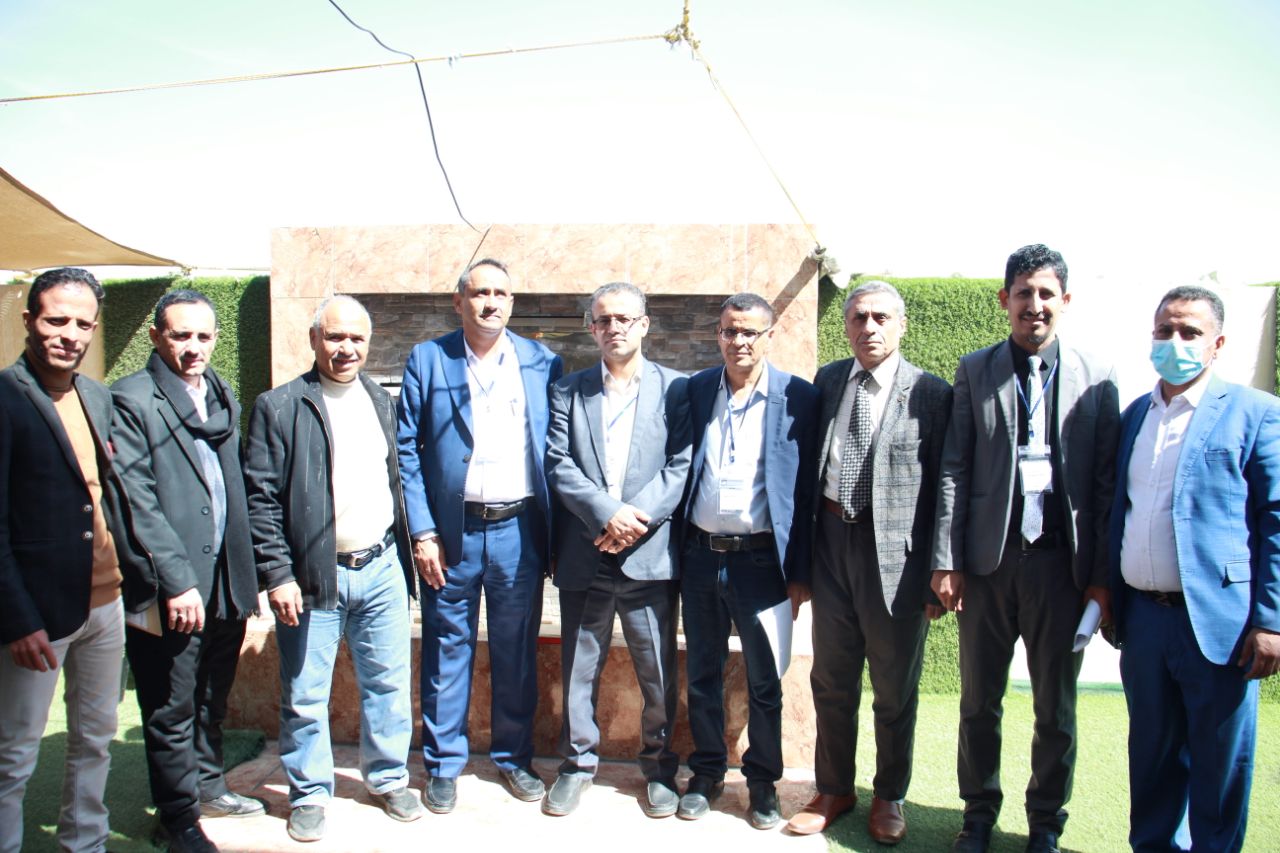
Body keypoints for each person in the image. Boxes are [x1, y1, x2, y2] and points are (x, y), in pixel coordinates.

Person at [931, 244, 1119, 853]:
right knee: (978, 702)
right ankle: (978, 815)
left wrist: (1100, 578)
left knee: (1054, 708)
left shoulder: (1098, 377)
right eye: (1022, 293)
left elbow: (1105, 485)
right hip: (990, 565)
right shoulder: (975, 370)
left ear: (1065, 300)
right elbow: (955, 467)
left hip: (1061, 569)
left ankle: (1045, 823)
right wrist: (947, 559)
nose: (1033, 305)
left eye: (1045, 294)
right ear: (1004, 299)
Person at [1110, 286, 1280, 852]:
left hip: (1219, 623)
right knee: (1152, 758)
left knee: (1219, 765)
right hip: (1145, 621)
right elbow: (1119, 510)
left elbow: (1276, 519)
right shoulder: (1135, 415)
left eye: (1190, 332)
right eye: (1165, 331)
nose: (1175, 342)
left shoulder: (1256, 413)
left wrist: (1271, 620)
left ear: (1218, 343)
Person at [245, 296, 420, 842]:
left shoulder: (381, 401)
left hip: (382, 567)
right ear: (314, 339)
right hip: (311, 578)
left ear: (369, 343)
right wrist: (278, 574)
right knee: (304, 694)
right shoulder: (279, 406)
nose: (346, 348)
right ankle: (309, 793)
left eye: (356, 339)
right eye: (335, 337)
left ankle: (388, 779)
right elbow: (260, 499)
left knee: (388, 685)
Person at [786, 281, 951, 843]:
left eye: (881, 317)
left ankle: (888, 795)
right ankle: (834, 788)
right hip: (831, 545)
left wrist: (938, 571)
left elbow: (945, 486)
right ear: (846, 326)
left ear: (901, 325)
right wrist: (801, 566)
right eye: (859, 317)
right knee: (831, 679)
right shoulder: (829, 380)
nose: (869, 327)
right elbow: (807, 474)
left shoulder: (931, 392)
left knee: (893, 687)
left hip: (896, 561)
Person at [396, 258, 562, 812]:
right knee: (447, 648)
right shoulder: (428, 359)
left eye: (500, 294)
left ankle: (514, 758)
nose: (490, 302)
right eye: (479, 292)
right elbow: (407, 451)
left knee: (516, 650)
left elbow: (555, 450)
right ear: (458, 300)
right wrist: (423, 531)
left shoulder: (542, 362)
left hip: (520, 530)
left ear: (512, 302)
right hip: (451, 534)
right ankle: (443, 764)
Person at [111, 290, 262, 852]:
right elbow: (136, 500)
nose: (193, 347)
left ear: (215, 339)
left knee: (211, 695)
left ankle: (209, 785)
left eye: (203, 336)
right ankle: (178, 820)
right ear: (156, 337)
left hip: (226, 578)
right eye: (180, 335)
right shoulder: (131, 399)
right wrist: (175, 581)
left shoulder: (220, 394)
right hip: (173, 586)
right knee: (171, 706)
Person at [543, 282, 692, 818]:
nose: (614, 328)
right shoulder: (568, 390)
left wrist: (634, 520)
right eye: (604, 320)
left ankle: (659, 768)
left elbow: (681, 464)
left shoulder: (678, 389)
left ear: (644, 324)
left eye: (624, 319)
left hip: (648, 556)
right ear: (592, 328)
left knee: (656, 672)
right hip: (587, 550)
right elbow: (558, 462)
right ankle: (577, 765)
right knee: (579, 668)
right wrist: (607, 513)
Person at [679, 293, 818, 830]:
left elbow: (806, 495)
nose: (738, 341)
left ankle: (762, 783)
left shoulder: (799, 398)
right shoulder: (695, 390)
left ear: (769, 336)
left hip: (762, 563)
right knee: (703, 673)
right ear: (718, 334)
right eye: (729, 331)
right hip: (700, 556)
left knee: (765, 679)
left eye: (750, 332)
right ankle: (707, 773)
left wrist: (799, 573)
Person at [0, 268, 125, 853]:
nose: (69, 334)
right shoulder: (5, 398)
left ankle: (86, 844)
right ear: (29, 320)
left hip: (107, 602)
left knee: (96, 740)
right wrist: (17, 619)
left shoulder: (96, 396)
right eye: (56, 320)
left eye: (82, 324)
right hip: (38, 614)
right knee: (13, 754)